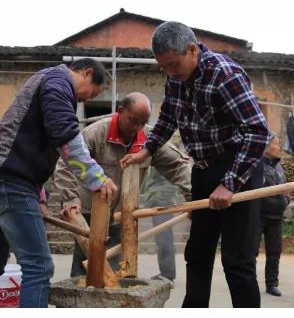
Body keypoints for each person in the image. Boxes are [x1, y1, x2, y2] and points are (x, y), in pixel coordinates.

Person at [120, 21, 270, 308]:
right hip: (202, 169)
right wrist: (147, 150)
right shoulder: (175, 77)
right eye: (163, 67)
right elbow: (167, 118)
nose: (170, 72)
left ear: (192, 50)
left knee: (237, 259)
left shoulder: (225, 75)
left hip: (238, 168)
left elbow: (258, 132)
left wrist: (230, 183)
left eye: (173, 65)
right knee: (197, 252)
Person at [0, 58, 118, 308]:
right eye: (93, 93)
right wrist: (97, 178)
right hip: (11, 182)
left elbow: (30, 140)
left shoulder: (44, 80)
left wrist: (39, 197)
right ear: (87, 73)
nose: (86, 101)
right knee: (39, 266)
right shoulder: (58, 84)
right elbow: (66, 138)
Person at [53, 92, 191, 281]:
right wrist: (70, 199)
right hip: (89, 214)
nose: (137, 128)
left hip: (122, 214)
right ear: (120, 111)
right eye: (133, 120)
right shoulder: (95, 133)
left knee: (117, 273)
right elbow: (65, 164)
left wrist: (193, 196)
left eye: (142, 122)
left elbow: (177, 166)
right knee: (82, 272)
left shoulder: (149, 139)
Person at [141, 163, 191, 287]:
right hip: (156, 198)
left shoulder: (165, 153)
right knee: (162, 237)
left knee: (164, 237)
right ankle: (167, 273)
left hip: (164, 200)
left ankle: (167, 274)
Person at [257, 134, 290, 297]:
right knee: (251, 251)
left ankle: (272, 284)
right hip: (258, 215)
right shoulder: (257, 164)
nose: (279, 148)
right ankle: (248, 281)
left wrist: (286, 197)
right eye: (277, 144)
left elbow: (283, 186)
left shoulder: (278, 166)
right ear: (267, 145)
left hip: (276, 215)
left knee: (274, 251)